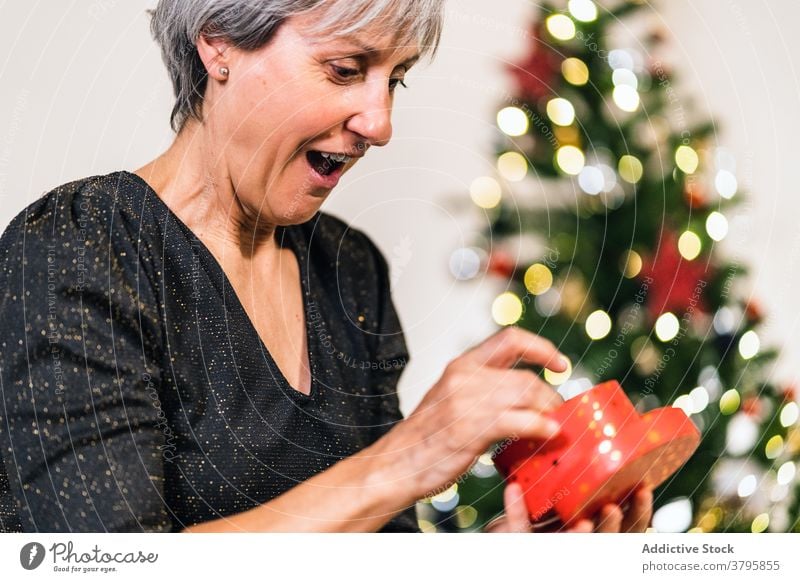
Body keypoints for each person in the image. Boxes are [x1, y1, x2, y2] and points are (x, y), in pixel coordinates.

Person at [0, 0, 652, 533]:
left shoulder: (349, 270)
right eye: (345, 69)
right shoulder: (78, 248)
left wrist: (504, 552)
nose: (381, 122)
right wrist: (409, 456)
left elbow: (380, 551)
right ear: (219, 42)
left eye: (394, 79)